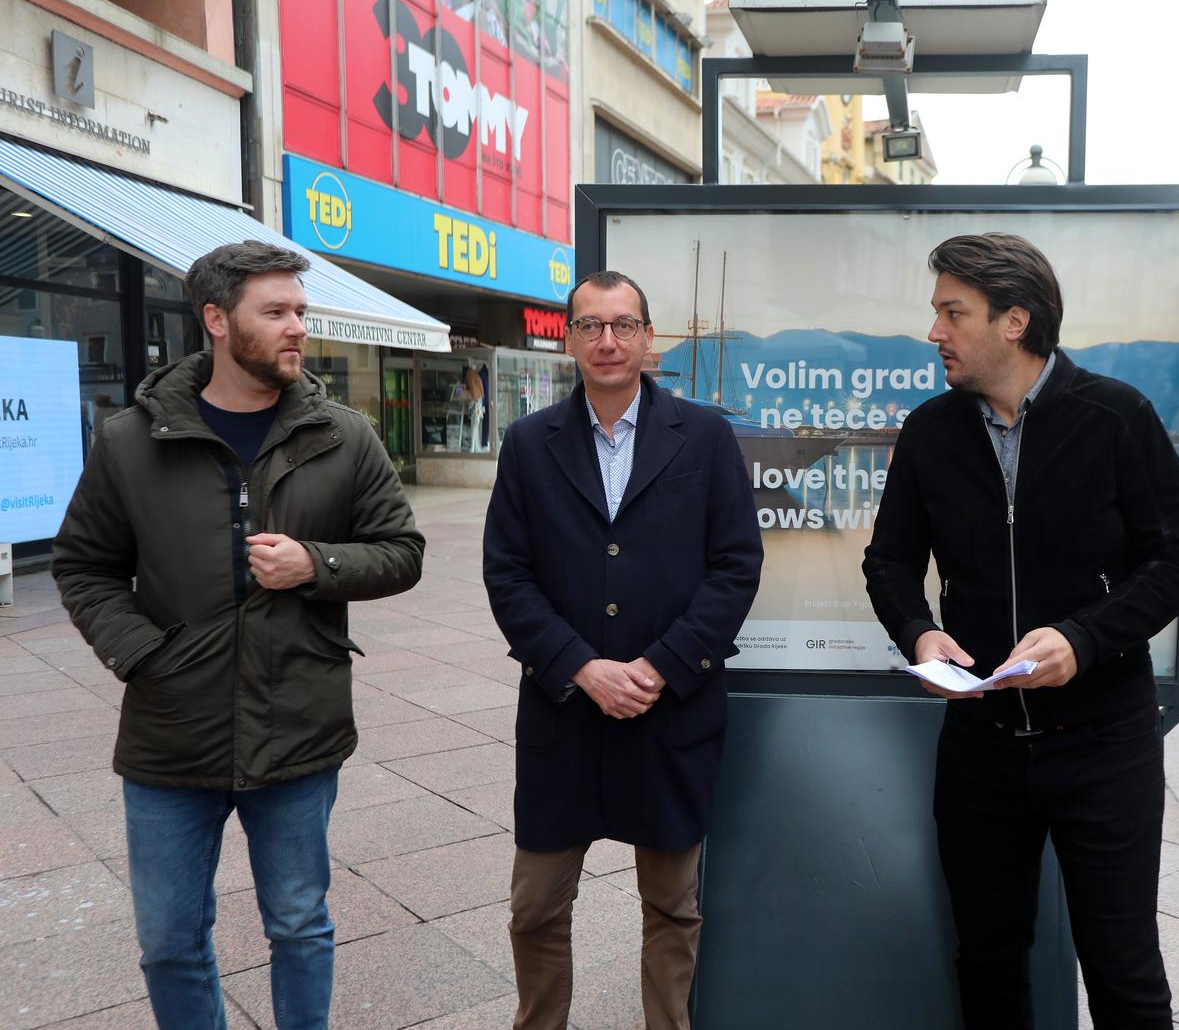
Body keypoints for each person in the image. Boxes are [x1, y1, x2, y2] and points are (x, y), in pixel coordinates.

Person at [50, 241, 426, 1028]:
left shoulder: (344, 434)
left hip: (297, 722)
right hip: (170, 732)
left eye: (301, 311)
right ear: (217, 320)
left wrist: (315, 563)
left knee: (298, 923)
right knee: (168, 942)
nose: (297, 327)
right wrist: (145, 654)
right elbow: (84, 565)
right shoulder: (131, 441)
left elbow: (402, 552)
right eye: (277, 311)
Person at [862, 233, 1179, 1029]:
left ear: (1014, 320)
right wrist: (919, 633)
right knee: (987, 961)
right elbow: (887, 563)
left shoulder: (1116, 417)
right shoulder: (930, 433)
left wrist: (1083, 639)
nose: (935, 332)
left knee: (1123, 972)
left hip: (1105, 743)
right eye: (937, 312)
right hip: (981, 746)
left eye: (954, 313)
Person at [482, 270, 762, 1030]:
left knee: (673, 906)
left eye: (624, 325)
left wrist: (659, 666)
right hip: (562, 713)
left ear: (648, 338)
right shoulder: (528, 444)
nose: (608, 340)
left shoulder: (704, 437)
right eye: (591, 326)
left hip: (669, 714)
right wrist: (579, 664)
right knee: (535, 906)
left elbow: (736, 566)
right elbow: (506, 573)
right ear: (568, 338)